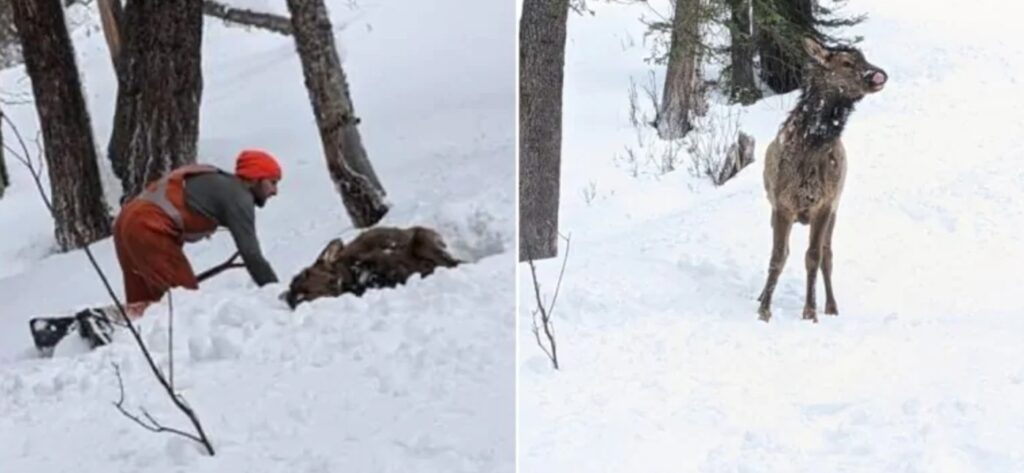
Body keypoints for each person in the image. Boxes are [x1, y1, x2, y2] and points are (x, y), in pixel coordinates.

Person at [113, 149, 282, 317]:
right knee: (185, 303)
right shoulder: (239, 196)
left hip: (127, 220)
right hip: (148, 226)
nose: (275, 192)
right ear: (255, 179)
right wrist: (278, 296)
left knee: (147, 301)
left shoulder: (219, 182)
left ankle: (110, 322)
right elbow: (252, 255)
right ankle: (112, 322)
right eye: (272, 182)